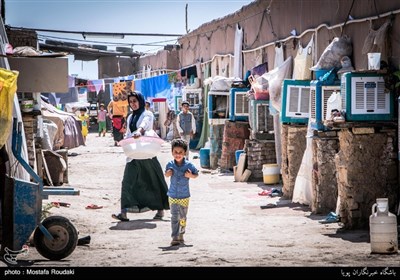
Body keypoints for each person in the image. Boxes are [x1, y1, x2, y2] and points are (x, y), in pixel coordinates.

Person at [112, 91, 169, 222]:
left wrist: (139, 131)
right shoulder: (130, 117)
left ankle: (160, 211)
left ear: (140, 101)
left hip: (147, 152)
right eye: (131, 102)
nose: (133, 104)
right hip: (133, 154)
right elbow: (128, 133)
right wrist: (124, 142)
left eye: (135, 101)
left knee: (153, 181)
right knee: (127, 182)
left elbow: (144, 124)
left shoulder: (147, 113)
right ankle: (124, 212)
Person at [165, 138, 199, 246]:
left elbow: (196, 174)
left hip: (184, 196)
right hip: (173, 195)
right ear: (172, 152)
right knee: (174, 216)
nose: (178, 154)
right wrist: (168, 174)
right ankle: (175, 237)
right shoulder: (170, 164)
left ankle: (181, 235)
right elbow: (166, 174)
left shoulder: (189, 165)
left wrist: (190, 176)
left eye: (180, 152)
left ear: (185, 153)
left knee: (183, 217)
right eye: (175, 152)